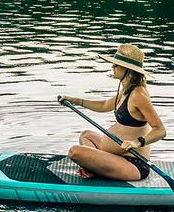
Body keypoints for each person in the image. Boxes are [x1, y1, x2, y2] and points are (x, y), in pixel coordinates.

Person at [59, 43, 166, 180]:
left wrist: (137, 142)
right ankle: (93, 167)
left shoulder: (139, 95)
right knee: (86, 136)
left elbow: (160, 130)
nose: (112, 67)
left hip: (133, 163)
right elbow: (104, 105)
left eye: (116, 65)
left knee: (74, 152)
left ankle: (93, 168)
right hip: (117, 155)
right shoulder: (126, 90)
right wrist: (75, 101)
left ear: (127, 69)